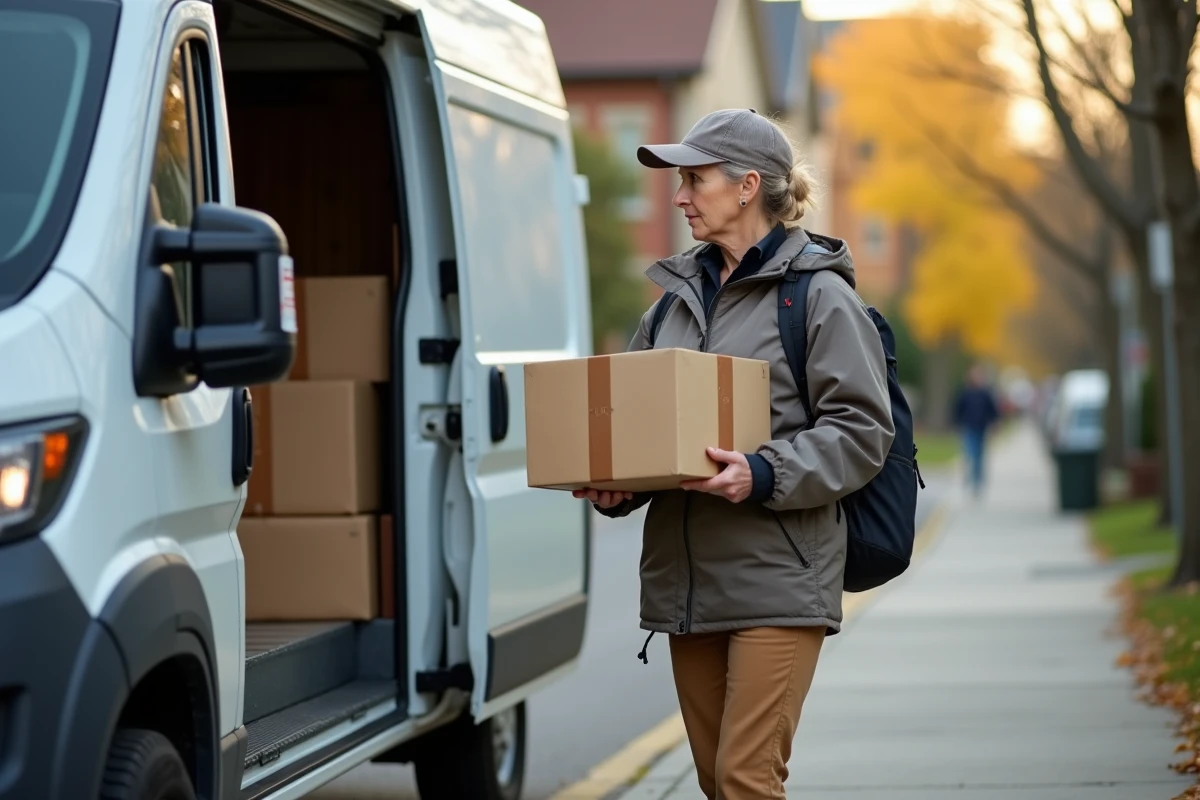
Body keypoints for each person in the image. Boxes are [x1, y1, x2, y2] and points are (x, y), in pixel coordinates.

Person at [572, 109, 895, 800]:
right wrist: (618, 487)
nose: (679, 196)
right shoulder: (669, 307)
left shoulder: (817, 296)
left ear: (748, 186)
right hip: (690, 588)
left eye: (693, 179)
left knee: (747, 780)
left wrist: (766, 470)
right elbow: (644, 430)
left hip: (781, 580)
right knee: (720, 785)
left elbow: (864, 429)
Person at [953, 363, 1001, 496]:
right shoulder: (965, 392)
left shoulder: (985, 393)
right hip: (968, 427)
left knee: (980, 456)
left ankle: (977, 482)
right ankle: (969, 478)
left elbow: (993, 410)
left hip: (982, 428)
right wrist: (957, 423)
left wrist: (995, 423)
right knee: (970, 453)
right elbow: (958, 409)